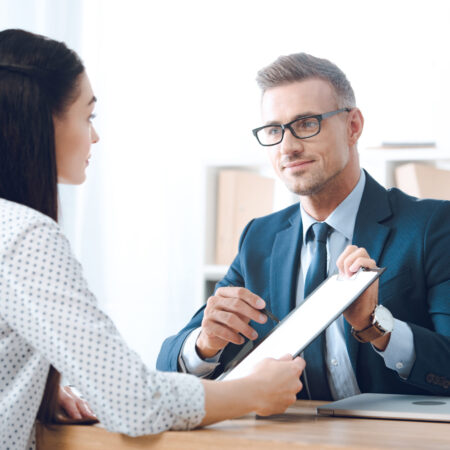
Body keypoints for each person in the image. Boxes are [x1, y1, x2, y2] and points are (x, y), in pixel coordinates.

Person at [0, 29, 306, 450]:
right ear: (41, 120)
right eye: (88, 116)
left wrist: (35, 388)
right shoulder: (24, 236)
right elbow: (133, 402)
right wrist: (252, 392)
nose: (95, 136)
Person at [157, 53, 450, 400]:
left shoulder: (432, 226)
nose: (288, 146)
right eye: (273, 130)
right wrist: (206, 344)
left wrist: (376, 326)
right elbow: (167, 366)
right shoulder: (259, 238)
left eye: (307, 123)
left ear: (353, 126)